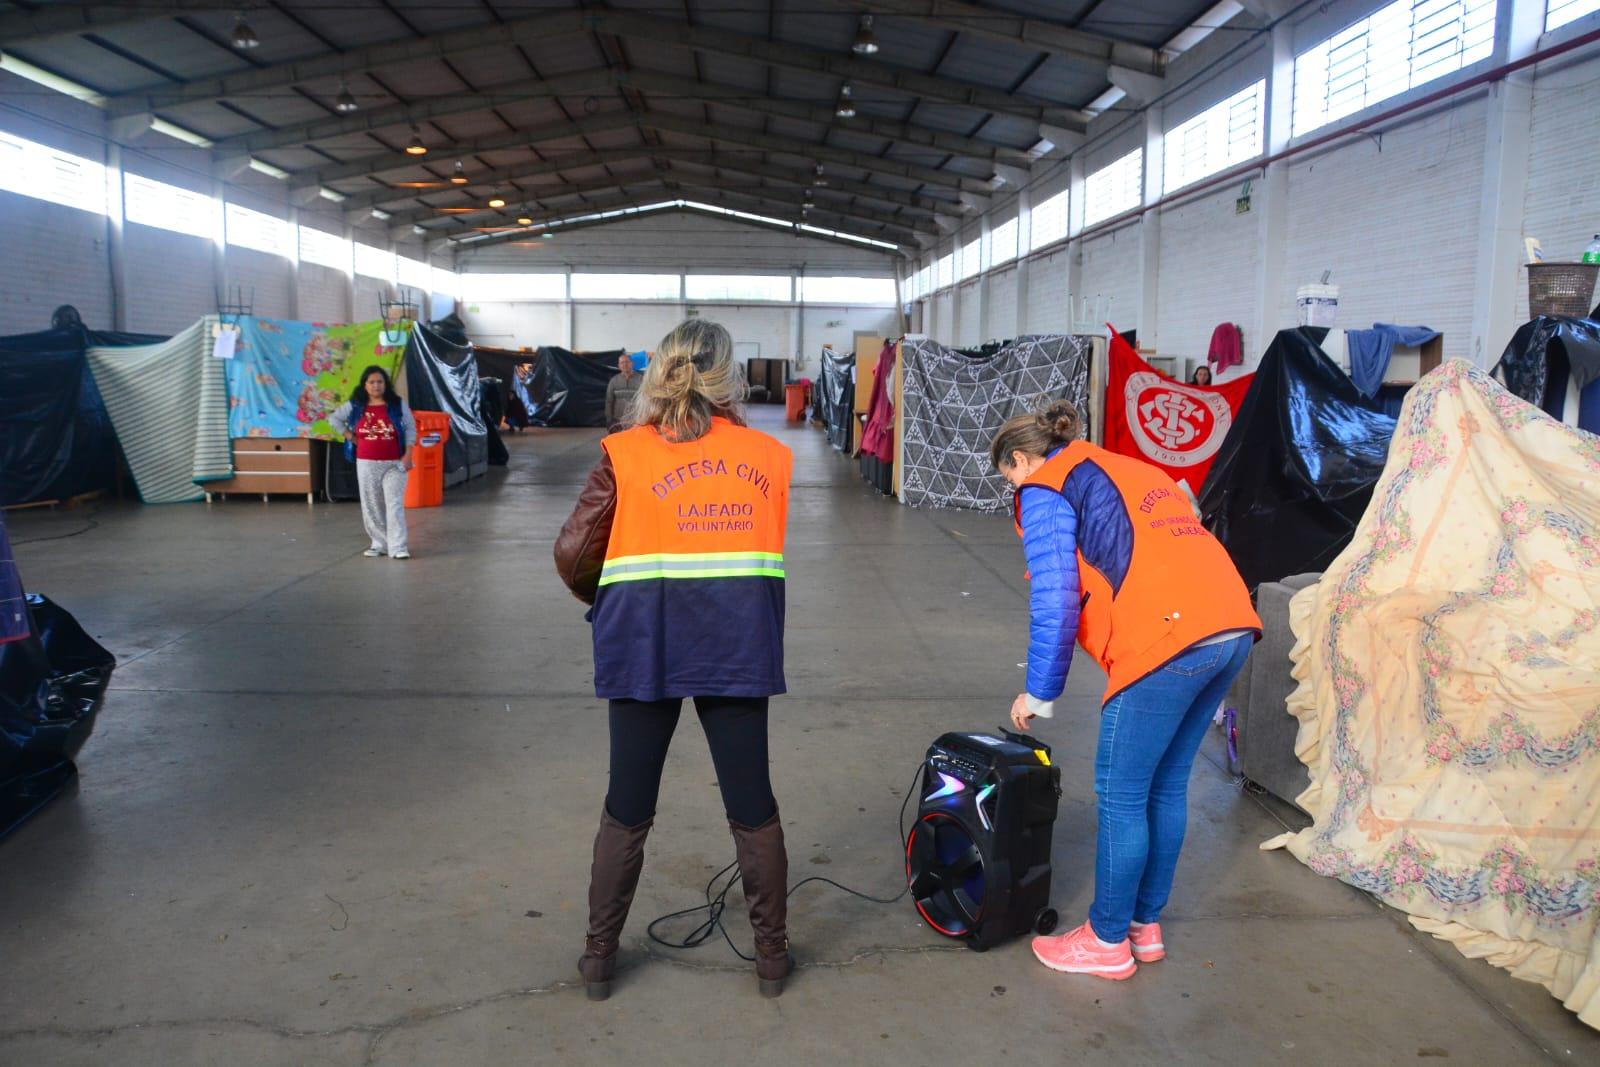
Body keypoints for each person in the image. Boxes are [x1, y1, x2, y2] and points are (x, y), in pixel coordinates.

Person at [554, 321, 795, 1001]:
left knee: (626, 805)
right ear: (730, 377)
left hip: (642, 644)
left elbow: (573, 555)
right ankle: (771, 958)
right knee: (753, 804)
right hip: (737, 642)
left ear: (659, 371)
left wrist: (606, 596)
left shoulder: (622, 454)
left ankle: (600, 958)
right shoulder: (771, 456)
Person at [990, 400, 1260, 982]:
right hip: (1232, 624)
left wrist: (1038, 693)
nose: (1012, 492)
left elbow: (1056, 595)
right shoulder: (1130, 468)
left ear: (1020, 459)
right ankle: (1144, 924)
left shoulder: (1044, 485)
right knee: (1164, 787)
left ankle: (1107, 941)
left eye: (1007, 478)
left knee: (1120, 794)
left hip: (1170, 638)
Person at [329, 366, 416, 560]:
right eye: (372, 382)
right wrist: (351, 437)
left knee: (394, 505)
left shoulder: (397, 404)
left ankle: (398, 547)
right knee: (372, 505)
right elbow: (334, 419)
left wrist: (409, 454)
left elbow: (410, 427)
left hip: (395, 463)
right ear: (365, 385)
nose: (376, 386)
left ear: (385, 384)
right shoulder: (356, 405)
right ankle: (379, 544)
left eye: (380, 382)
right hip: (367, 463)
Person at [604, 352, 641, 432]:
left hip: (636, 421)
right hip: (617, 421)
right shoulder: (614, 381)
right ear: (619, 365)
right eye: (622, 363)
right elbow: (609, 401)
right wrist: (609, 419)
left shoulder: (641, 380)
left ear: (632, 363)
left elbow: (646, 400)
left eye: (627, 362)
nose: (625, 364)